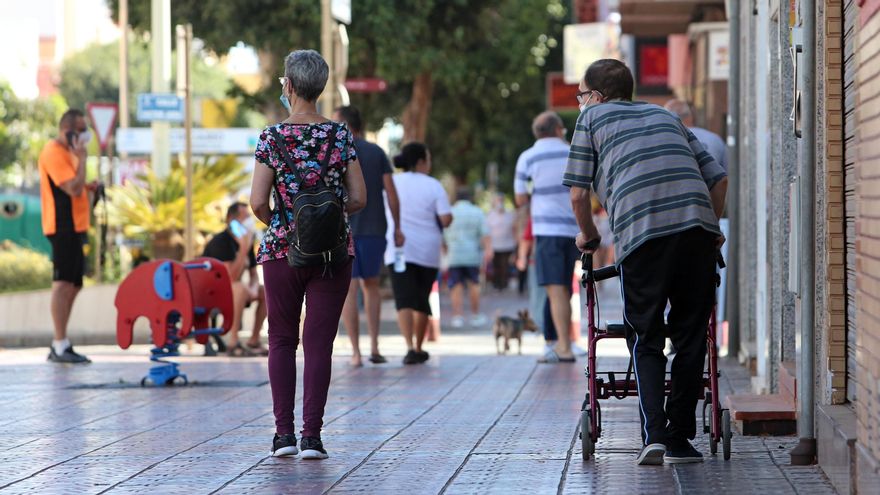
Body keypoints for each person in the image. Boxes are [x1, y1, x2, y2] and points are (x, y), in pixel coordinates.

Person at [564, 59, 728, 466]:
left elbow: (578, 194)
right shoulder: (664, 114)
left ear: (596, 97)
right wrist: (714, 230)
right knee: (692, 337)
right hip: (697, 233)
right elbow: (718, 178)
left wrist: (589, 236)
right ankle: (679, 439)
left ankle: (655, 436)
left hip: (643, 236)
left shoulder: (591, 118)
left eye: (581, 95)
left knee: (646, 333)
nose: (581, 102)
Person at [249, 49, 366, 460]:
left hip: (282, 249)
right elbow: (359, 197)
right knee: (320, 344)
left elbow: (257, 201)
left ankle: (283, 437)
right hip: (333, 252)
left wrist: (285, 223)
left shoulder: (272, 137)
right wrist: (325, 216)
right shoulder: (339, 135)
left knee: (281, 339)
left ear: (290, 86)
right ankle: (312, 437)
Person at [332, 106, 404, 367]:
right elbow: (391, 193)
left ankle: (356, 353)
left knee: (349, 289)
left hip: (344, 229)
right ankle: (374, 346)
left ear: (346, 124)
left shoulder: (336, 151)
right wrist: (397, 227)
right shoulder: (377, 152)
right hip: (375, 229)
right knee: (371, 286)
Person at [514, 111, 581, 363]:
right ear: (558, 129)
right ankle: (564, 343)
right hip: (574, 230)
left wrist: (538, 193)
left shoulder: (527, 157)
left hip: (547, 231)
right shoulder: (572, 152)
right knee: (565, 288)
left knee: (555, 290)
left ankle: (562, 346)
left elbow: (520, 199)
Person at [38, 109, 101, 364]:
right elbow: (72, 188)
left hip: (77, 227)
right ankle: (59, 343)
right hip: (62, 226)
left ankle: (62, 342)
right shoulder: (53, 152)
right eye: (81, 129)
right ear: (68, 131)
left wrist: (91, 187)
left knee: (75, 284)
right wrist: (83, 160)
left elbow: (79, 186)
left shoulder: (69, 154)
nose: (85, 135)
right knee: (63, 283)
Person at [385, 142, 452, 365]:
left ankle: (408, 346)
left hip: (396, 248)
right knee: (421, 299)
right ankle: (419, 347)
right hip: (426, 250)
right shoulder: (433, 185)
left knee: (403, 299)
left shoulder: (391, 182)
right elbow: (445, 219)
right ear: (422, 161)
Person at [202, 202, 268, 357]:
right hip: (213, 293)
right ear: (231, 220)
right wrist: (243, 249)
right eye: (244, 217)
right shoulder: (220, 242)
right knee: (239, 287)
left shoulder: (246, 241)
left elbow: (253, 273)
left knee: (264, 291)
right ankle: (233, 342)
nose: (248, 221)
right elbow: (229, 277)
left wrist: (253, 287)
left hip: (236, 290)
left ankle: (254, 340)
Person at [444, 186, 491, 328]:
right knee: (474, 284)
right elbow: (485, 234)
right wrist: (488, 250)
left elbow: (443, 235)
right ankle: (475, 315)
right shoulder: (477, 212)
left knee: (455, 286)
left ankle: (457, 316)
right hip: (472, 255)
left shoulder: (450, 212)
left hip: (454, 254)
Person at [664, 99, 728, 171]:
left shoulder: (664, 141)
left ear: (667, 119)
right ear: (690, 116)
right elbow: (728, 173)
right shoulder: (714, 138)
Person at [487, 193, 517, 291]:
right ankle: (497, 284)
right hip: (494, 245)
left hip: (507, 245)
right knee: (496, 266)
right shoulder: (490, 215)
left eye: (501, 200)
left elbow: (514, 228)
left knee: (505, 265)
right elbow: (487, 231)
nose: (500, 202)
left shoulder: (510, 214)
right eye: (498, 200)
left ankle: (504, 284)